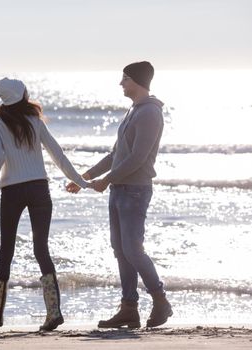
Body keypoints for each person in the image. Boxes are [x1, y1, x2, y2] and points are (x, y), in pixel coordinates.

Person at [67, 61, 172, 328]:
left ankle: (161, 301)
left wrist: (107, 180)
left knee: (133, 250)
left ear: (136, 80)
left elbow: (138, 158)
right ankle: (129, 308)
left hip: (135, 190)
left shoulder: (149, 113)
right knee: (121, 250)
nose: (121, 83)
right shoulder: (133, 111)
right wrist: (86, 177)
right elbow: (116, 155)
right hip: (119, 189)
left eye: (124, 79)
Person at [0, 78, 90, 331]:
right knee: (41, 249)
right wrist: (80, 181)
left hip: (12, 191)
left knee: (6, 248)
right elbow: (57, 154)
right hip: (40, 189)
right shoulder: (35, 121)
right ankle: (53, 313)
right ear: (22, 95)